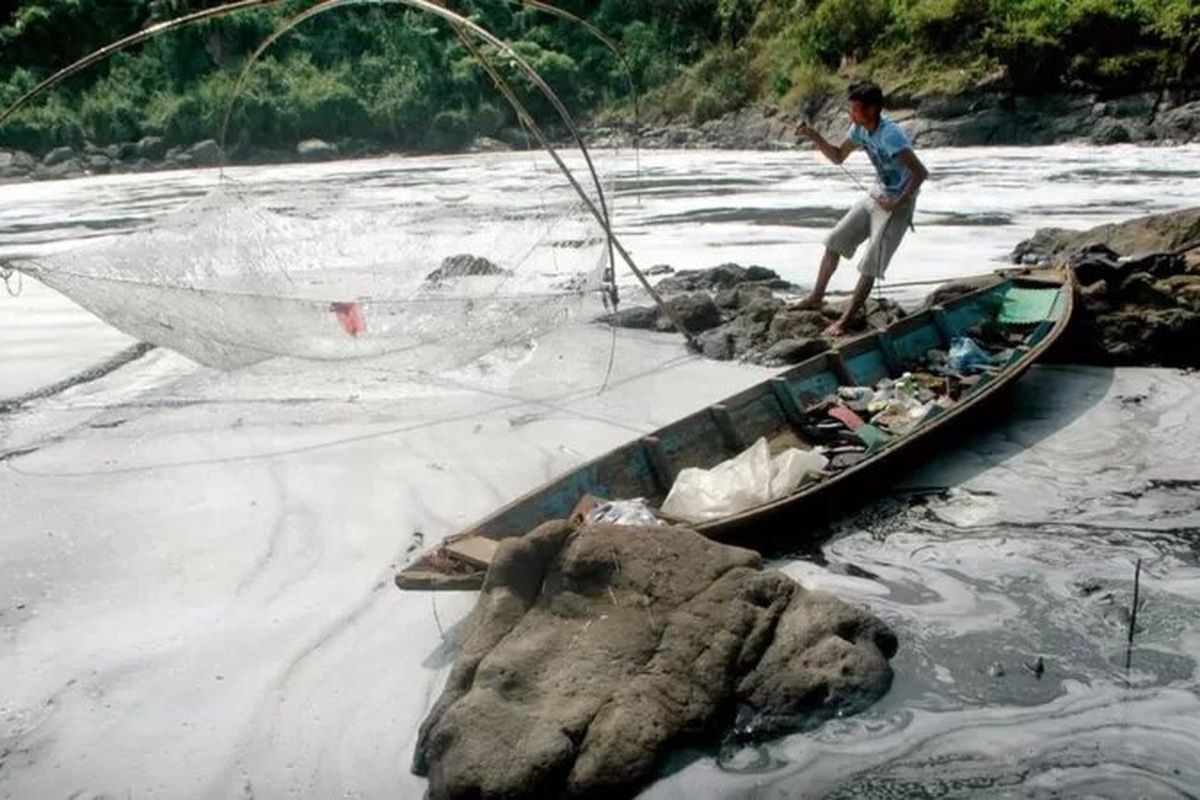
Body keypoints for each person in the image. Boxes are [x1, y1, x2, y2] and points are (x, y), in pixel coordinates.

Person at [791, 81, 928, 336]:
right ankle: (816, 297)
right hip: (877, 194)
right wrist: (814, 135)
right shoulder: (859, 129)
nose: (851, 114)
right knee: (834, 240)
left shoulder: (891, 134)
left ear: (873, 109)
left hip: (899, 203)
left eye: (855, 109)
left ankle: (844, 322)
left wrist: (897, 202)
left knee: (871, 263)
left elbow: (920, 172)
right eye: (850, 109)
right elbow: (838, 157)